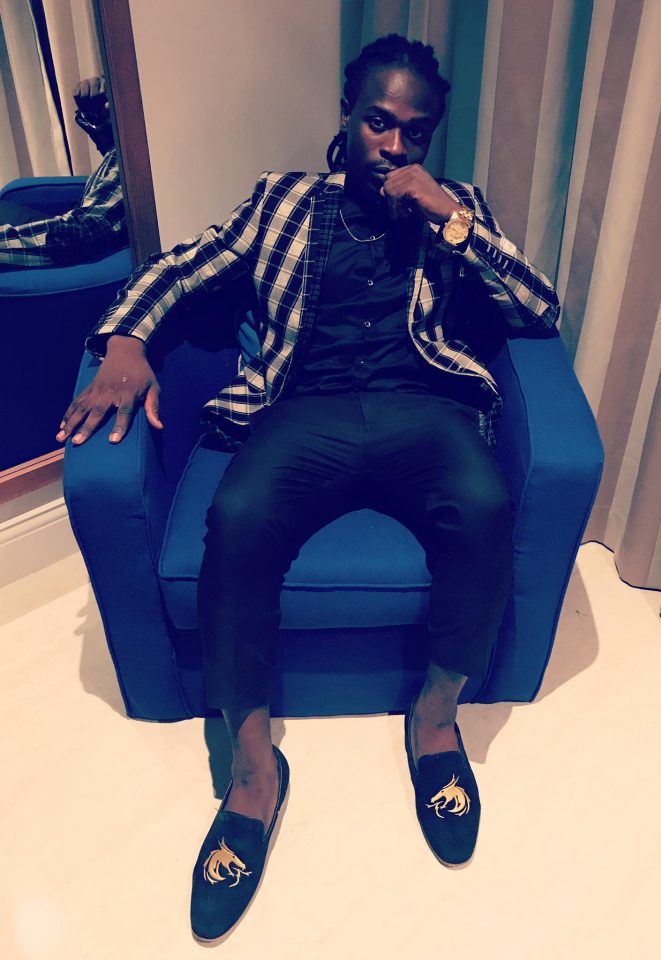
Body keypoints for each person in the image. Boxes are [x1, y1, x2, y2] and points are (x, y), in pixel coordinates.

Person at [56, 35, 559, 943]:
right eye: (378, 123)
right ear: (347, 114)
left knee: (485, 506)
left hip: (421, 409)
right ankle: (254, 773)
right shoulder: (283, 203)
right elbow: (182, 265)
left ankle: (435, 721)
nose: (393, 147)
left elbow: (539, 305)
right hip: (305, 410)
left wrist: (451, 218)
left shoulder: (456, 210)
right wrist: (126, 340)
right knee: (238, 516)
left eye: (413, 132)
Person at [0, 75, 125, 267]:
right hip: (79, 216)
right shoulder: (134, 148)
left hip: (73, 235)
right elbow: (114, 155)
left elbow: (77, 237)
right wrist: (97, 117)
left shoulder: (146, 159)